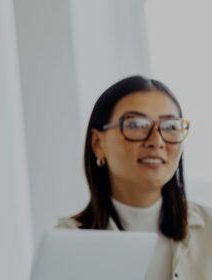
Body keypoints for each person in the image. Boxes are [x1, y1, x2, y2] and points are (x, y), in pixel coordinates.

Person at [58, 75, 212, 279]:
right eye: (136, 124)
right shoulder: (66, 244)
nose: (156, 141)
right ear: (98, 144)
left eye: (170, 127)